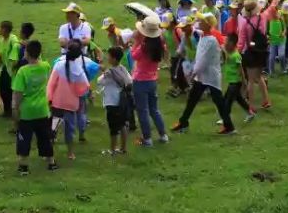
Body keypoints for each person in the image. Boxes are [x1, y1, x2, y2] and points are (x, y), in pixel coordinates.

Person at [172, 14, 234, 135]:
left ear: (207, 24)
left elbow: (202, 61)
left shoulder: (210, 40)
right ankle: (183, 122)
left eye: (201, 21)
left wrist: (192, 74)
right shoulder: (203, 36)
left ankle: (229, 126)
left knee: (219, 102)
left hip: (210, 76)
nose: (199, 22)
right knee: (192, 99)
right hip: (203, 76)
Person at [12, 40, 57, 175]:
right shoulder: (45, 66)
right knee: (45, 138)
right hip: (42, 110)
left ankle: (23, 166)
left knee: (24, 138)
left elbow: (18, 93)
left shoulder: (22, 71)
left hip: (27, 111)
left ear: (26, 53)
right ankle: (51, 163)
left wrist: (16, 108)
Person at [47, 41, 91, 160]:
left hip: (57, 103)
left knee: (53, 128)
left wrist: (49, 99)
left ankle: (48, 153)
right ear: (78, 55)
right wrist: (77, 93)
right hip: (71, 105)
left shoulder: (58, 65)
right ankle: (70, 153)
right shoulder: (78, 70)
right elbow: (86, 87)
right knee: (69, 130)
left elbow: (51, 84)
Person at [130, 16, 170, 146]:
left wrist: (136, 41)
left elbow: (133, 55)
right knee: (154, 109)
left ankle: (147, 139)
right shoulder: (160, 45)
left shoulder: (143, 47)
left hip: (140, 80)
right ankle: (163, 135)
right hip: (152, 79)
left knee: (143, 111)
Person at [97, 46, 132, 155]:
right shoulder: (123, 69)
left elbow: (100, 81)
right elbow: (130, 80)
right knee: (123, 125)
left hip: (112, 102)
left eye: (109, 56)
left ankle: (112, 150)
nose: (108, 58)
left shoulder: (110, 72)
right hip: (122, 101)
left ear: (114, 59)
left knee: (113, 127)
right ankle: (123, 148)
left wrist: (104, 72)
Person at [238, 0, 272, 110]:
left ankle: (251, 105)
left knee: (251, 80)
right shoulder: (262, 18)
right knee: (260, 76)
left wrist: (237, 52)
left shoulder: (244, 23)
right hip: (262, 51)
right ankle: (266, 100)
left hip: (250, 53)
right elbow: (263, 33)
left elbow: (241, 41)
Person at [221, 33, 255, 124]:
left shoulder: (236, 55)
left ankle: (225, 117)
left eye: (227, 42)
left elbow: (241, 70)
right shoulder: (229, 53)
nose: (225, 43)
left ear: (232, 43)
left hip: (236, 82)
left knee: (228, 101)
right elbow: (226, 58)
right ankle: (250, 113)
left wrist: (244, 83)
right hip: (231, 81)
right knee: (239, 99)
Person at [0, 20, 21, 118]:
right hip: (4, 68)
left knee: (9, 91)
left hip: (12, 70)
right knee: (2, 90)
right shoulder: (1, 41)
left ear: (5, 29)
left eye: (0, 28)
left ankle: (11, 111)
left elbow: (16, 50)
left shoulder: (13, 39)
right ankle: (6, 110)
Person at [267, 4, 287, 76]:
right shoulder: (269, 19)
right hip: (272, 41)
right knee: (271, 57)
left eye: (274, 11)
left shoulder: (280, 17)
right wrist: (267, 36)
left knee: (281, 55)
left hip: (281, 40)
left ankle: (284, 68)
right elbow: (266, 30)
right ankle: (271, 72)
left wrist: (283, 33)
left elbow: (285, 28)